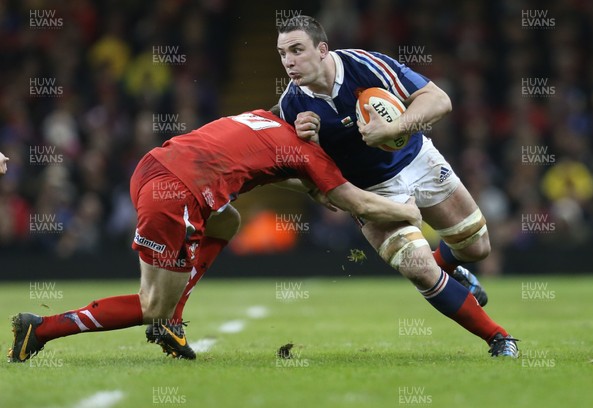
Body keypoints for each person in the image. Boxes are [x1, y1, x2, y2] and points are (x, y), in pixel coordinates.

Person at [8, 108, 422, 362]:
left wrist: (315, 188)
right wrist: (408, 211)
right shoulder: (313, 154)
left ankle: (172, 323)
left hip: (153, 169)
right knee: (153, 306)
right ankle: (42, 328)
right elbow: (359, 203)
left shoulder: (263, 119)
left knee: (227, 221)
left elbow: (264, 166)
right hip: (178, 197)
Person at [274, 15, 518, 357]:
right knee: (418, 269)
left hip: (419, 160)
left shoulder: (366, 65)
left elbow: (439, 100)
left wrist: (396, 127)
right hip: (371, 192)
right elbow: (278, 167)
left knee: (477, 248)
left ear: (322, 49)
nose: (289, 61)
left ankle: (449, 269)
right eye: (283, 53)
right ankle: (500, 338)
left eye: (297, 50)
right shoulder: (290, 106)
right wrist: (315, 179)